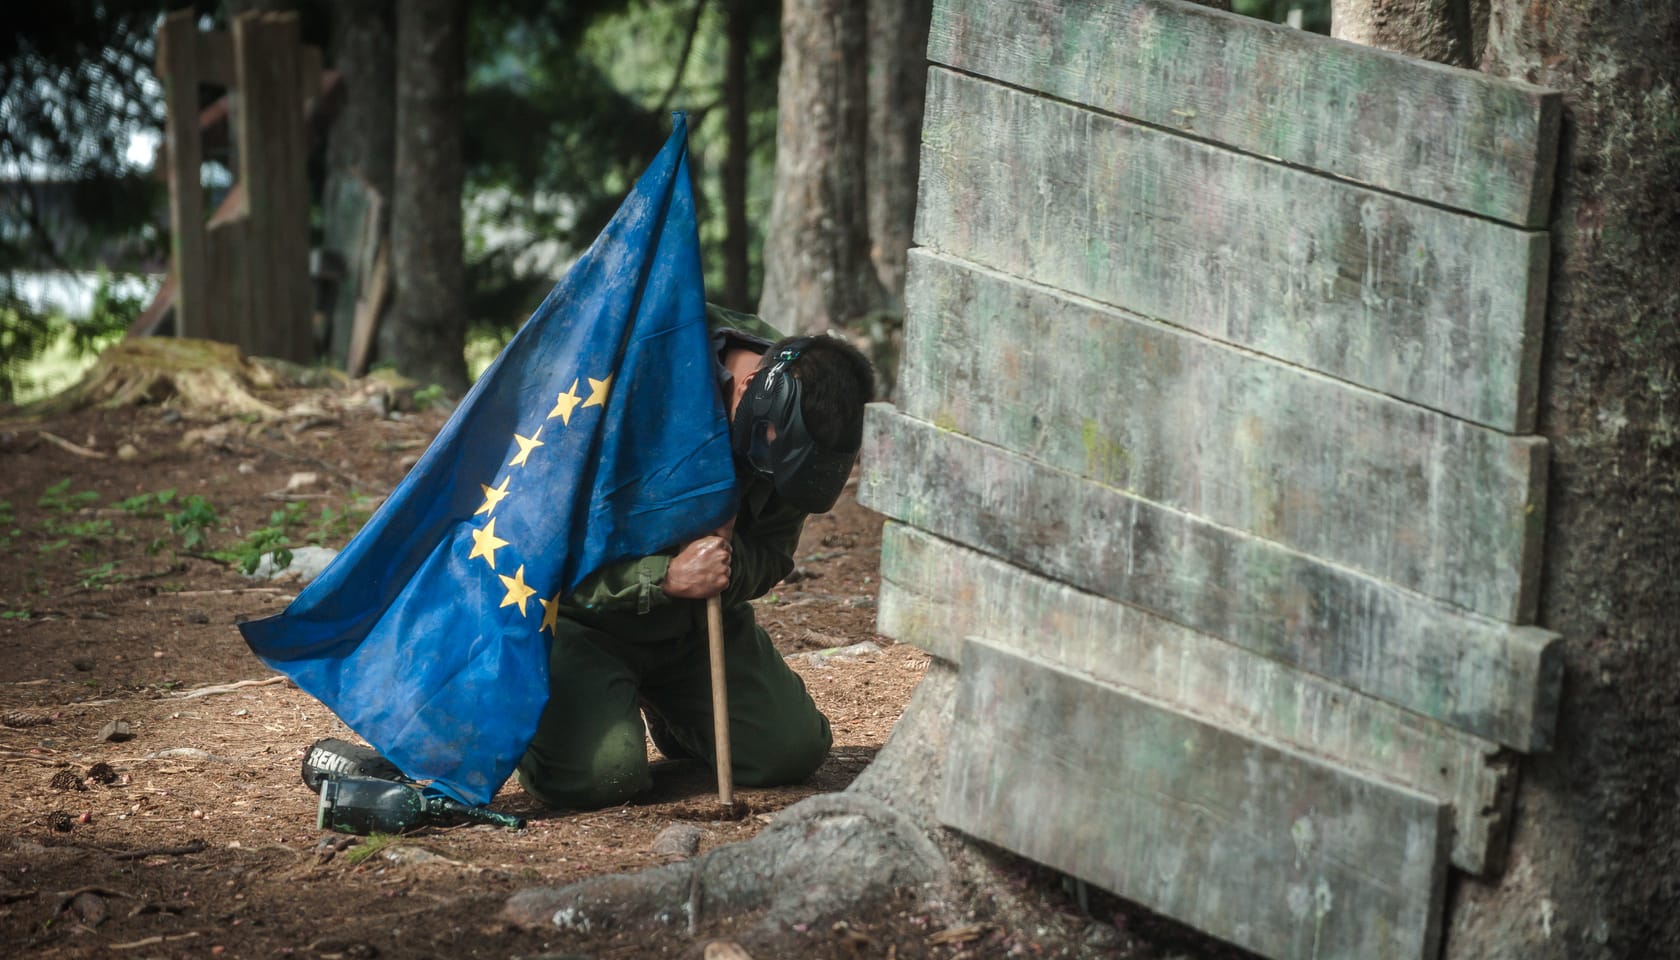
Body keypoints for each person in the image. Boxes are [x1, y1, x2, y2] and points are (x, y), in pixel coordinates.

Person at [514, 304, 877, 809]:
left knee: (790, 752)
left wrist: (724, 559)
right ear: (750, 389)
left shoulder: (810, 413)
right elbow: (538, 552)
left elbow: (772, 553)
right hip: (579, 620)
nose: (767, 471)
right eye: (765, 454)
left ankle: (671, 715)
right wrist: (662, 578)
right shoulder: (620, 376)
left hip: (694, 625)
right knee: (600, 779)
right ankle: (536, 717)